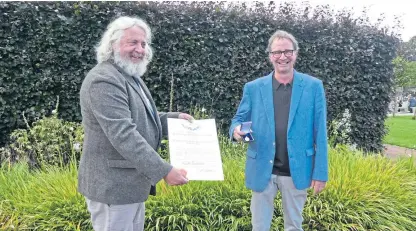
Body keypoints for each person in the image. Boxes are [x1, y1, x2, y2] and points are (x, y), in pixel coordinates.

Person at [78, 16, 193, 231]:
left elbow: (141, 118)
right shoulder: (104, 80)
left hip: (129, 185)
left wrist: (173, 120)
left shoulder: (130, 76)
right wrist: (164, 170)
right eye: (133, 42)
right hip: (113, 188)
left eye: (143, 43)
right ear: (113, 44)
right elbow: (123, 133)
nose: (140, 49)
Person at [229, 30, 329, 231]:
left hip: (297, 169)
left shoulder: (313, 86)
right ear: (270, 56)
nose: (282, 56)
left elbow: (321, 132)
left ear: (295, 54)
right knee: (259, 226)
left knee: (293, 225)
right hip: (262, 168)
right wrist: (236, 130)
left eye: (287, 51)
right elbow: (238, 120)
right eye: (277, 52)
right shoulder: (253, 88)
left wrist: (320, 172)